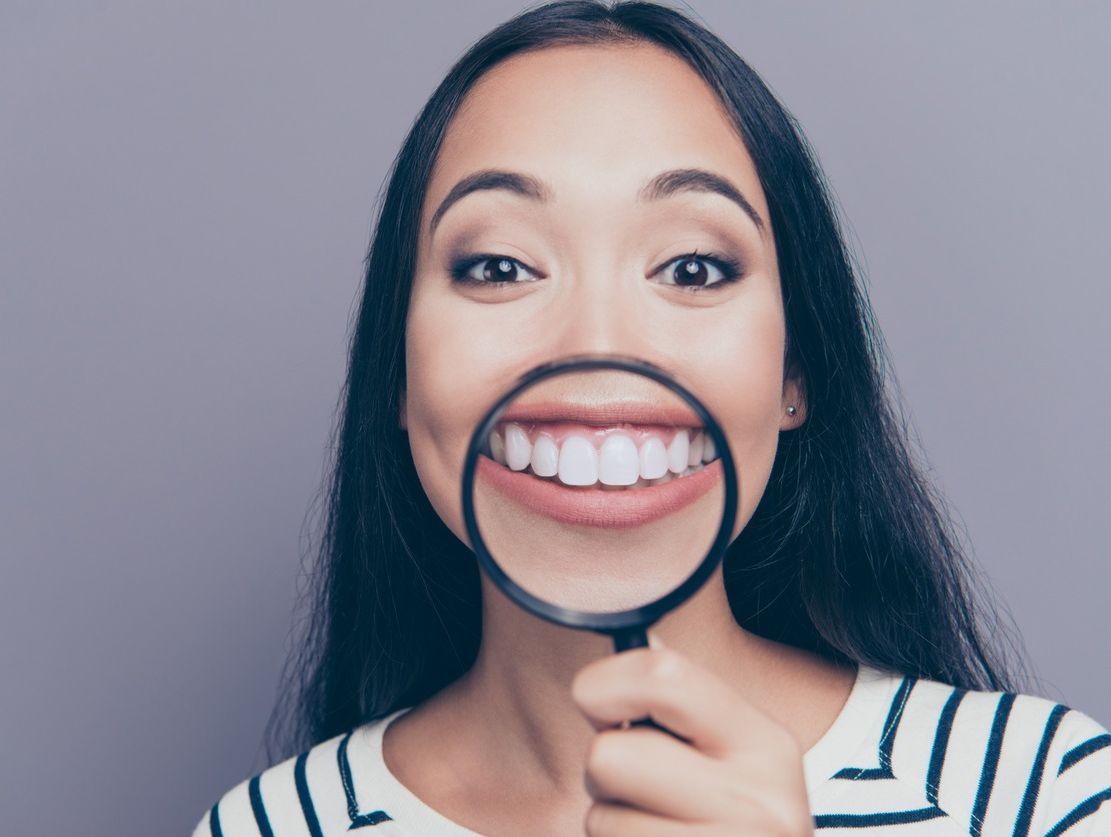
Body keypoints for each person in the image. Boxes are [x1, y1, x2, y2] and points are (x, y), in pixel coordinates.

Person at [192, 2, 1111, 834]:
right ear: (398, 373)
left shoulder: (1044, 797)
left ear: (796, 374)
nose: (597, 342)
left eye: (694, 269)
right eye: (500, 266)